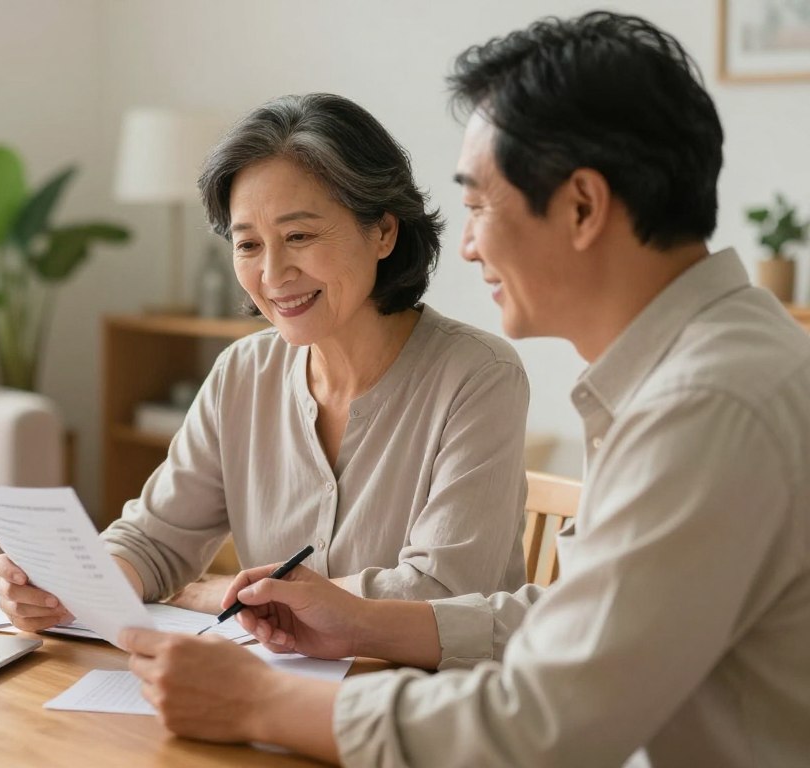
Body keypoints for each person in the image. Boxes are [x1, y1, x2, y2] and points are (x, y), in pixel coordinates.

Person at [121, 10, 810, 767]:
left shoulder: (706, 404)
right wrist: (362, 622)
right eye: (249, 243)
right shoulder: (691, 372)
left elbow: (548, 723)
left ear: (582, 206)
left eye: (481, 204)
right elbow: (569, 622)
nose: (469, 242)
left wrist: (261, 700)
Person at [0, 93, 531, 628]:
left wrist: (233, 596)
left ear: (384, 231)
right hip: (270, 688)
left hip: (421, 699)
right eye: (248, 245)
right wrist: (71, 586)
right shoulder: (242, 372)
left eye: (299, 236)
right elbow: (155, 538)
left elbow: (446, 593)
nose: (273, 275)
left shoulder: (479, 376)